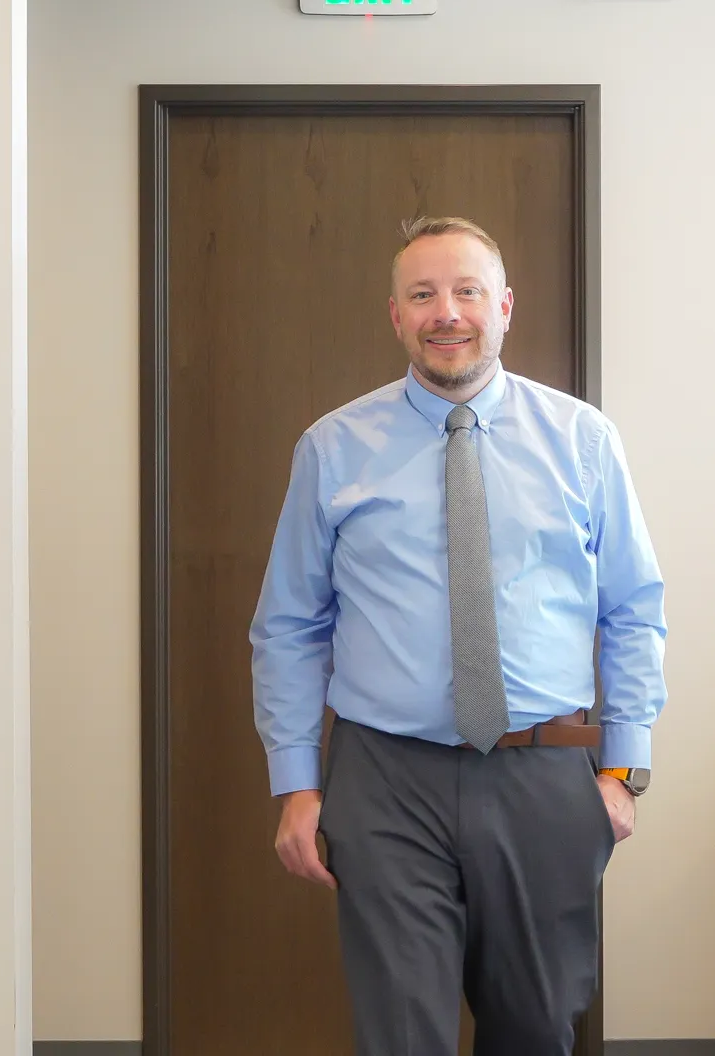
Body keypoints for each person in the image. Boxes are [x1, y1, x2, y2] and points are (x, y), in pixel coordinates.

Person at [250, 216, 668, 1055]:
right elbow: (290, 626)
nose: (448, 312)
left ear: (504, 307)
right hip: (387, 777)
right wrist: (296, 784)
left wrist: (625, 768)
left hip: (544, 774)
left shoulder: (583, 442)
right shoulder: (332, 449)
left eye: (467, 291)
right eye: (424, 294)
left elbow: (633, 609)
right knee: (403, 1034)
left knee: (536, 1028)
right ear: (396, 316)